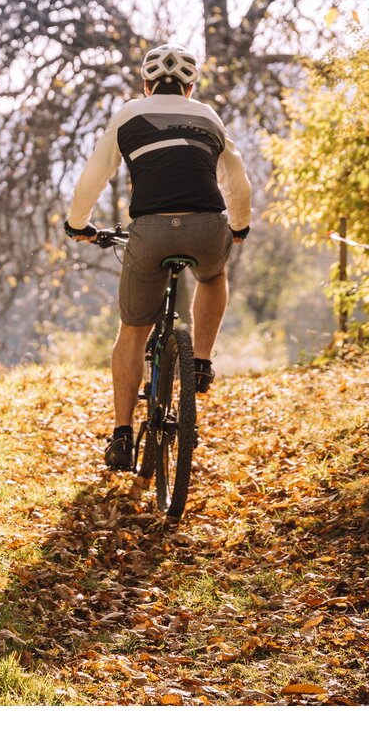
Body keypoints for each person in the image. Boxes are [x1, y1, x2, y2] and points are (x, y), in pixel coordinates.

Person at [64, 43, 251, 471]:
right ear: (190, 87)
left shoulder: (129, 114)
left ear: (146, 84)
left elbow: (93, 177)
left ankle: (122, 435)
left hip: (148, 231)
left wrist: (78, 223)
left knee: (132, 331)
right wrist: (238, 226)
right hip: (207, 226)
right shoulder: (208, 116)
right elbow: (237, 182)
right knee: (211, 276)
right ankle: (201, 361)